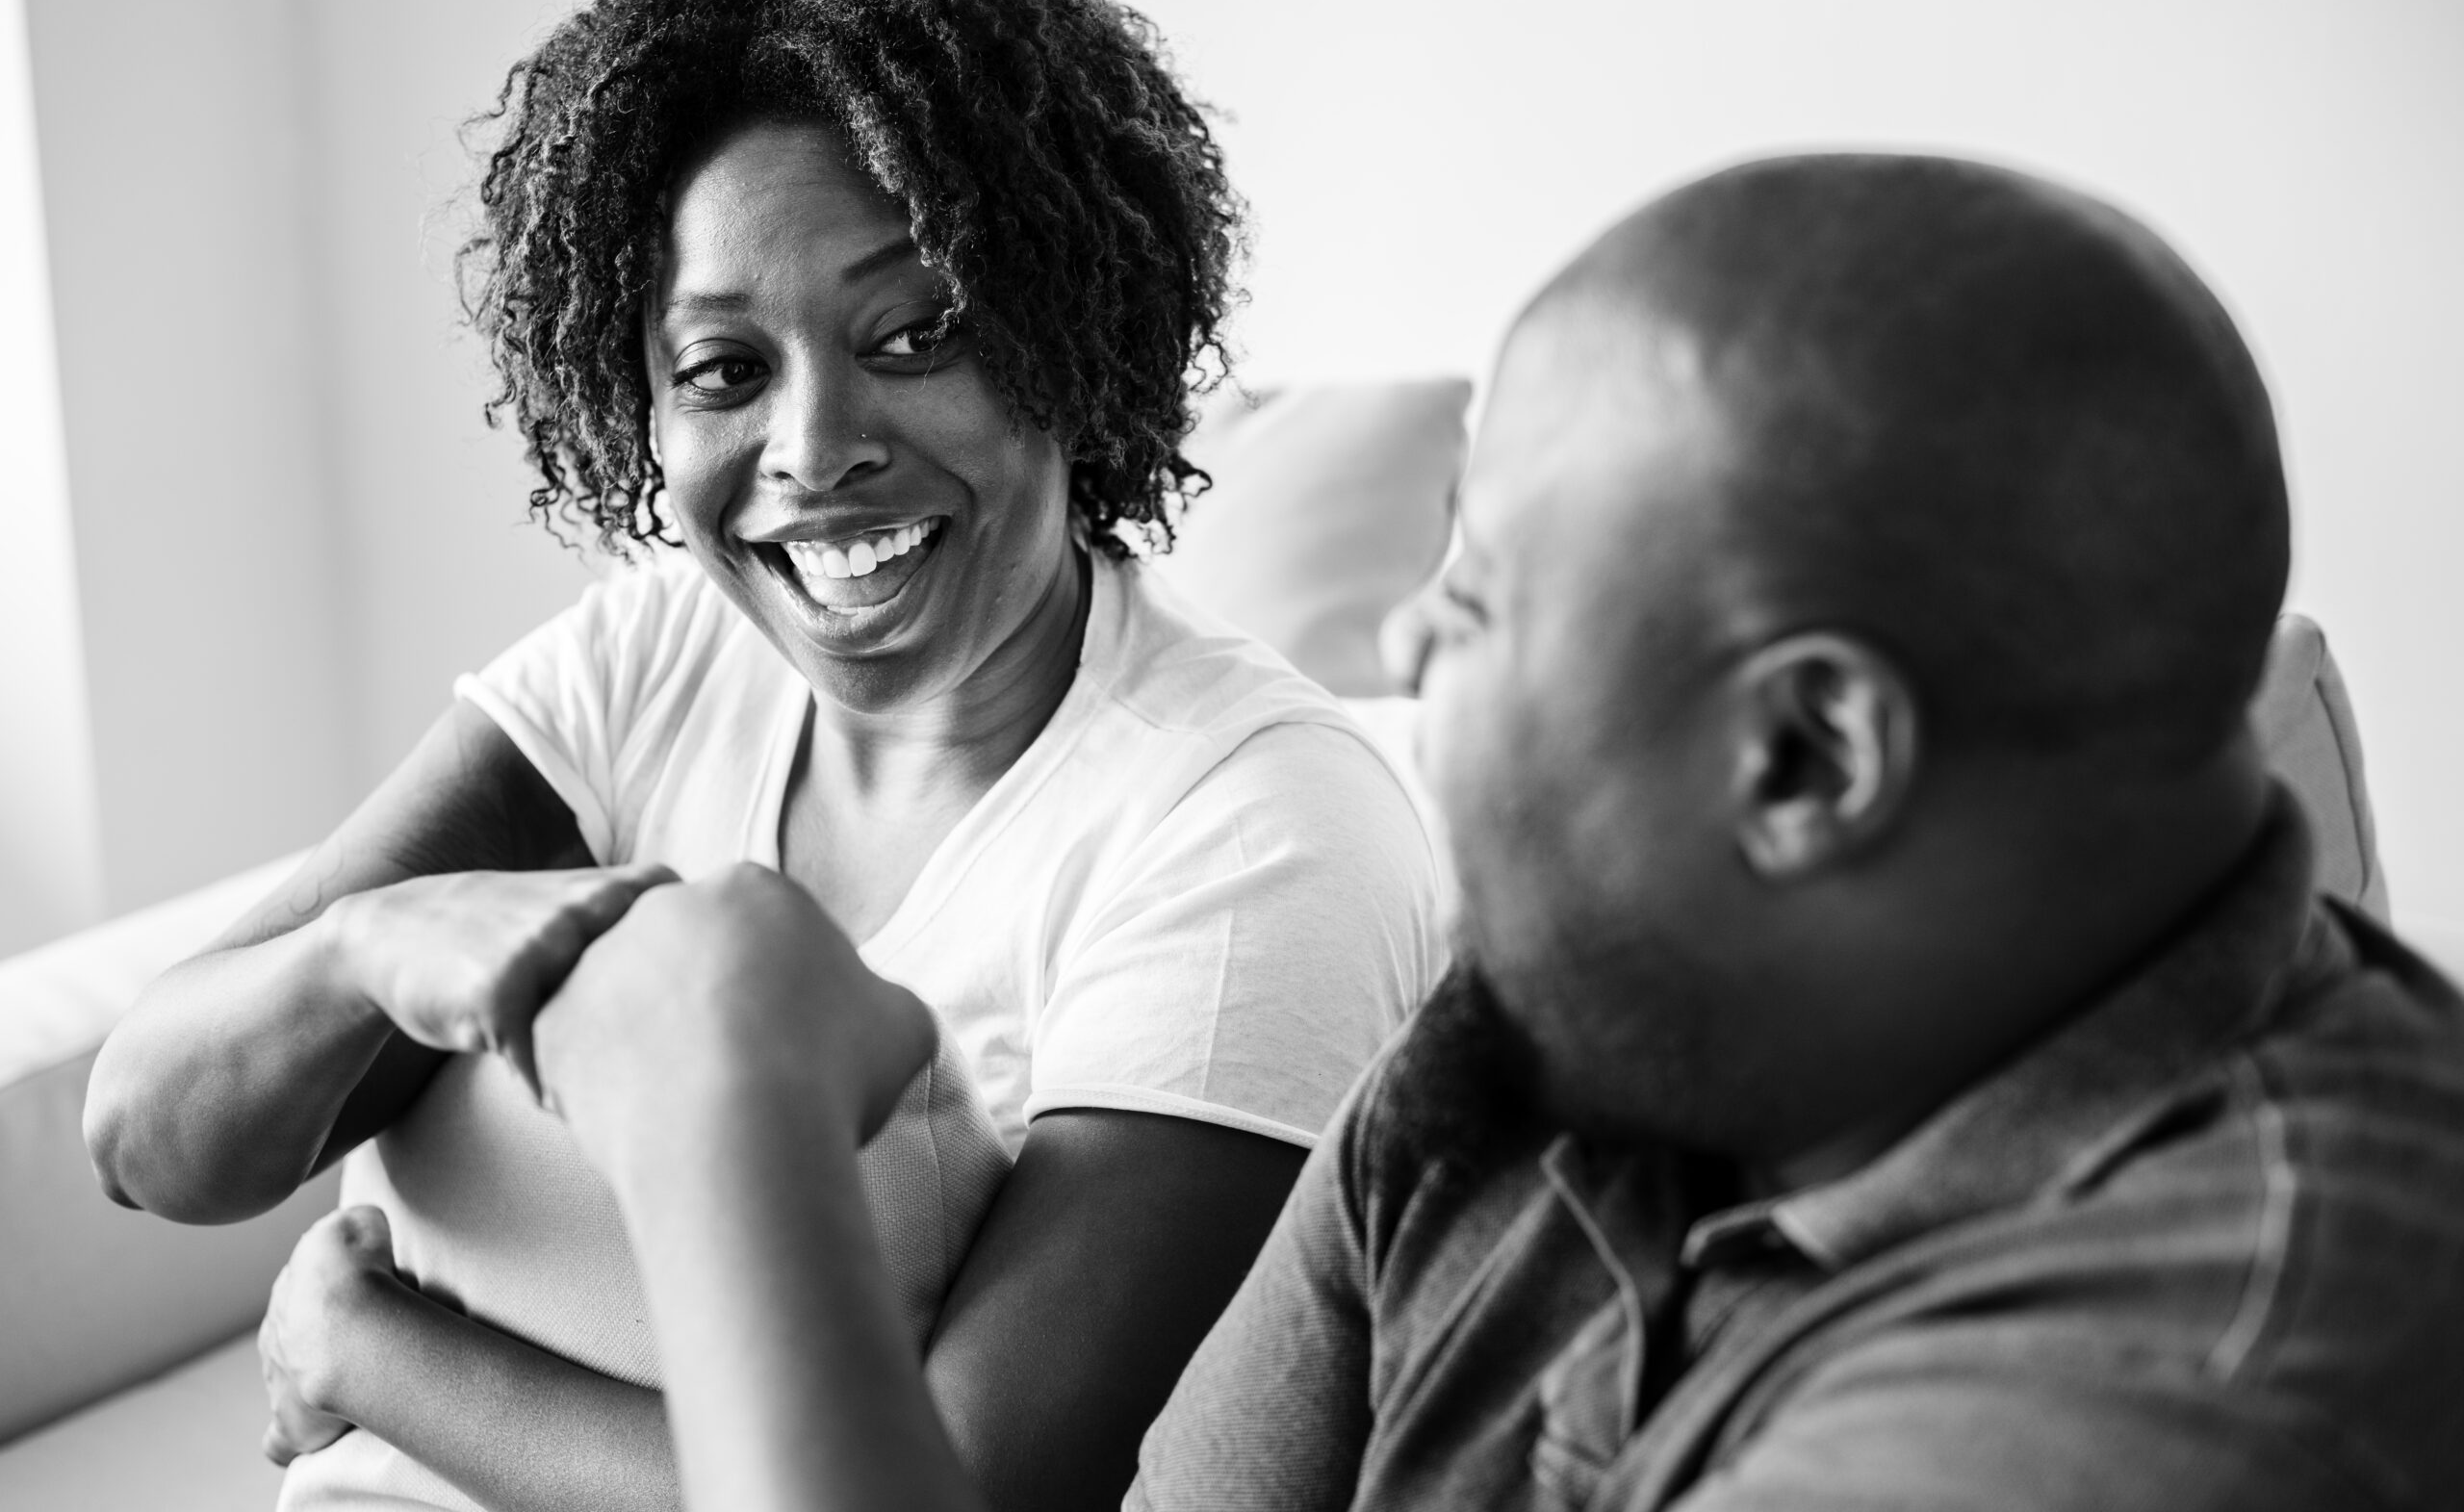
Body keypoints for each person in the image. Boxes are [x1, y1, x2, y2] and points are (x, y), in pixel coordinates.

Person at [517, 152, 2464, 1512]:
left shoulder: (2184, 1393)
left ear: (1801, 758)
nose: (1398, 649)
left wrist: (723, 1113)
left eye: (1479, 598)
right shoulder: (1541, 1041)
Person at [79, 0, 1441, 1512]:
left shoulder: (1259, 829)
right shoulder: (658, 651)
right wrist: (372, 944)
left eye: (917, 335)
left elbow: (966, 1490)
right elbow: (152, 1142)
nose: (813, 449)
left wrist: (370, 1355)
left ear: (1079, 334)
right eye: (724, 368)